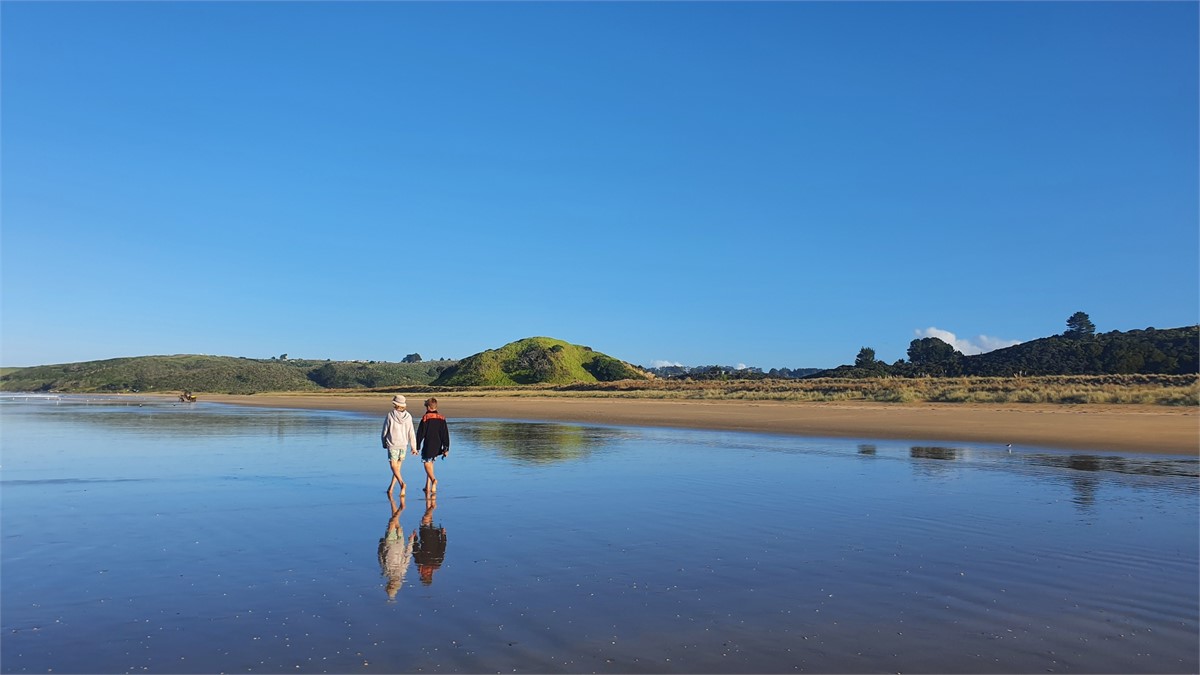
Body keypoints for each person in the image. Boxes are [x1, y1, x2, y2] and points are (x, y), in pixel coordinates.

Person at [378, 493, 415, 601]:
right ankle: (399, 506)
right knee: (395, 522)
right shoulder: (401, 572)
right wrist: (411, 541)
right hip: (399, 543)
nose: (392, 584)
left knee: (392, 522)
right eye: (392, 586)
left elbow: (381, 556)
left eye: (390, 586)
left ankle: (398, 505)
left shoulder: (385, 571)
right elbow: (407, 557)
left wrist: (380, 544)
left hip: (389, 543)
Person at [381, 395, 417, 497]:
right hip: (403, 445)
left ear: (395, 404)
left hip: (393, 444)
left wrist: (384, 442)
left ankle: (402, 484)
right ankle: (391, 488)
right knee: (397, 469)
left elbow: (384, 431)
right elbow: (411, 432)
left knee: (393, 467)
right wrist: (413, 447)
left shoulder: (390, 415)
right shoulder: (408, 416)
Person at [416, 397, 450, 495]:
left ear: (428, 407)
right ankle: (428, 486)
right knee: (431, 464)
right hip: (438, 445)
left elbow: (420, 434)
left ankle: (434, 480)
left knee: (426, 463)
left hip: (429, 444)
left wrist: (417, 446)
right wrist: (446, 448)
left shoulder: (425, 418)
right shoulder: (441, 418)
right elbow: (445, 434)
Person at [412, 496, 447, 586]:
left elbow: (415, 549)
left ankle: (430, 498)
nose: (423, 573)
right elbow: (442, 548)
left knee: (427, 517)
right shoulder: (436, 563)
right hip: (432, 535)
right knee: (426, 518)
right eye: (425, 574)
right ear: (429, 574)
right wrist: (443, 535)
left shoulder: (420, 563)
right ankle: (433, 506)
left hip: (425, 534)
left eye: (422, 574)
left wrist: (414, 538)